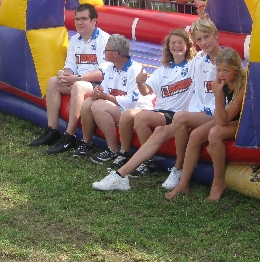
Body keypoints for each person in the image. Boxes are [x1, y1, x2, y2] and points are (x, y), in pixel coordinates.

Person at [92, 18, 222, 192]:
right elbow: (146, 90)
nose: (203, 42)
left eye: (206, 37)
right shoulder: (190, 64)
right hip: (187, 114)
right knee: (157, 127)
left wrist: (203, 15)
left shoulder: (199, 62)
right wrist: (140, 82)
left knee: (164, 117)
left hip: (198, 115)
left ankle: (176, 168)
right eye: (199, 39)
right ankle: (121, 174)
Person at [106, 29, 197, 171]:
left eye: (180, 42)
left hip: (177, 114)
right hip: (161, 111)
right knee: (127, 115)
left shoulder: (193, 65)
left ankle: (149, 161)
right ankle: (124, 153)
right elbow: (146, 91)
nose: (177, 46)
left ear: (187, 45)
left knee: (141, 117)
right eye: (173, 43)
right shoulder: (163, 70)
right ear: (168, 47)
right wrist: (139, 82)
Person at [165, 47, 246, 201]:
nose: (221, 74)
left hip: (244, 122)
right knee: (195, 135)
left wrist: (217, 93)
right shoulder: (222, 82)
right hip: (228, 119)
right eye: (218, 70)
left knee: (214, 133)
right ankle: (183, 183)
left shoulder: (242, 85)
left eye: (225, 70)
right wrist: (218, 93)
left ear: (236, 70)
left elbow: (222, 120)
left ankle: (218, 182)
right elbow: (221, 116)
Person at [29, 3, 110, 154]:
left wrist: (77, 78)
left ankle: (70, 135)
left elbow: (103, 72)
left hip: (98, 84)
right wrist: (64, 74)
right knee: (53, 81)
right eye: (77, 19)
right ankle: (52, 130)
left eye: (84, 19)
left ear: (94, 21)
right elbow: (70, 65)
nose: (79, 23)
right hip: (79, 80)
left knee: (78, 86)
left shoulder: (105, 40)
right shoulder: (75, 39)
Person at [72, 34, 154, 163]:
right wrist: (98, 91)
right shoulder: (110, 67)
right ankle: (86, 142)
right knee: (88, 102)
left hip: (135, 111)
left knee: (98, 106)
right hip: (119, 107)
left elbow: (131, 102)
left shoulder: (136, 69)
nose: (104, 52)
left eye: (106, 50)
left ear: (115, 53)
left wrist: (104, 96)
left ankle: (113, 149)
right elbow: (105, 89)